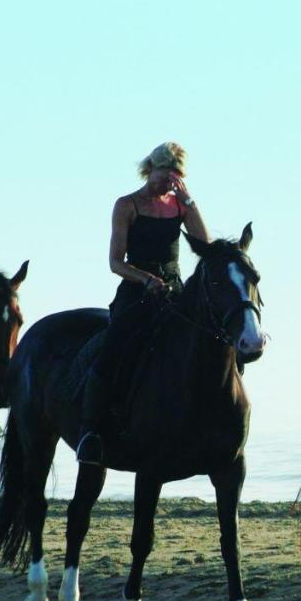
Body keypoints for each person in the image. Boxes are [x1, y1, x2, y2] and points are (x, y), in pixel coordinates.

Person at [74, 142, 209, 465]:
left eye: (176, 177)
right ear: (152, 169)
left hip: (175, 292)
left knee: (210, 340)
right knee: (112, 350)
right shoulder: (127, 205)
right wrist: (146, 279)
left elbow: (205, 245)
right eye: (166, 174)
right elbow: (115, 262)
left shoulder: (179, 206)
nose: (169, 182)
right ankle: (91, 432)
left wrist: (189, 201)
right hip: (137, 291)